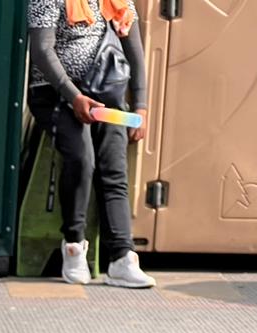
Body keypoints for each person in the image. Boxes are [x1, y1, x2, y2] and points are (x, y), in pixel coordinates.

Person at [28, 0, 156, 288]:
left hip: (107, 93)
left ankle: (123, 258)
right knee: (82, 158)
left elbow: (134, 49)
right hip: (56, 95)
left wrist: (142, 105)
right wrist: (73, 97)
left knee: (114, 169)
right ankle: (73, 245)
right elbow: (41, 50)